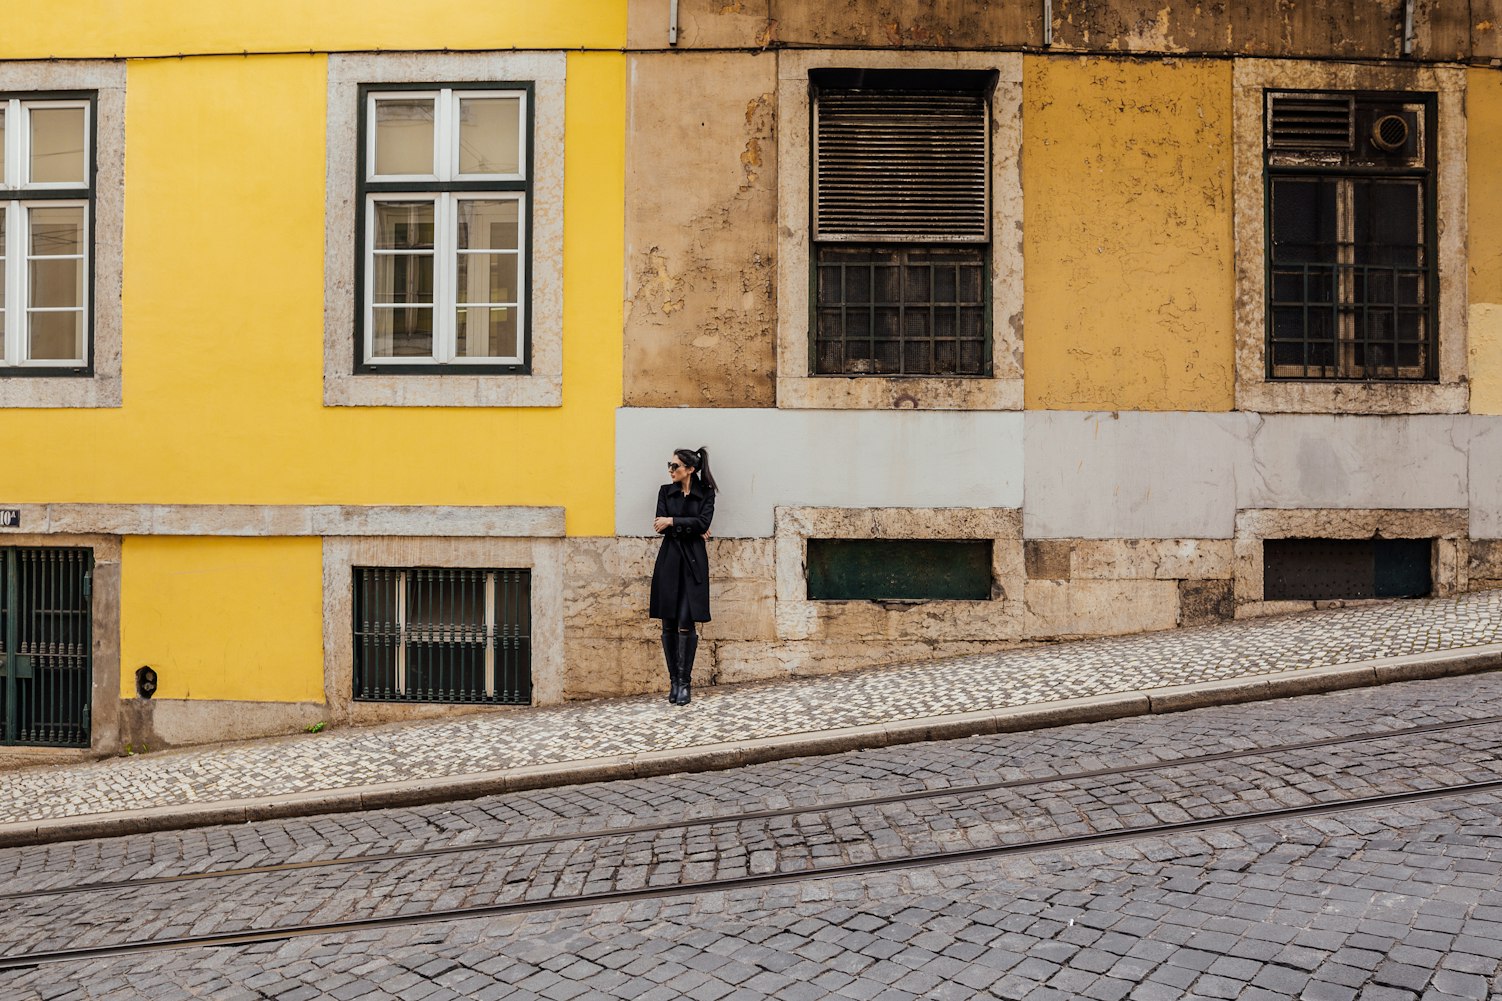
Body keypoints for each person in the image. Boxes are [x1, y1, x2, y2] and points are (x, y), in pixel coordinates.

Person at [650, 446, 717, 705]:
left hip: (693, 564)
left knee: (686, 623)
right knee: (668, 623)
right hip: (669, 562)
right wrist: (687, 525)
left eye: (675, 466)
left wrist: (674, 522)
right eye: (670, 464)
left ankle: (685, 683)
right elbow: (658, 525)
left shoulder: (706, 493)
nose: (670, 470)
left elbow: (704, 523)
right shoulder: (665, 492)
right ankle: (674, 683)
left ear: (690, 469)